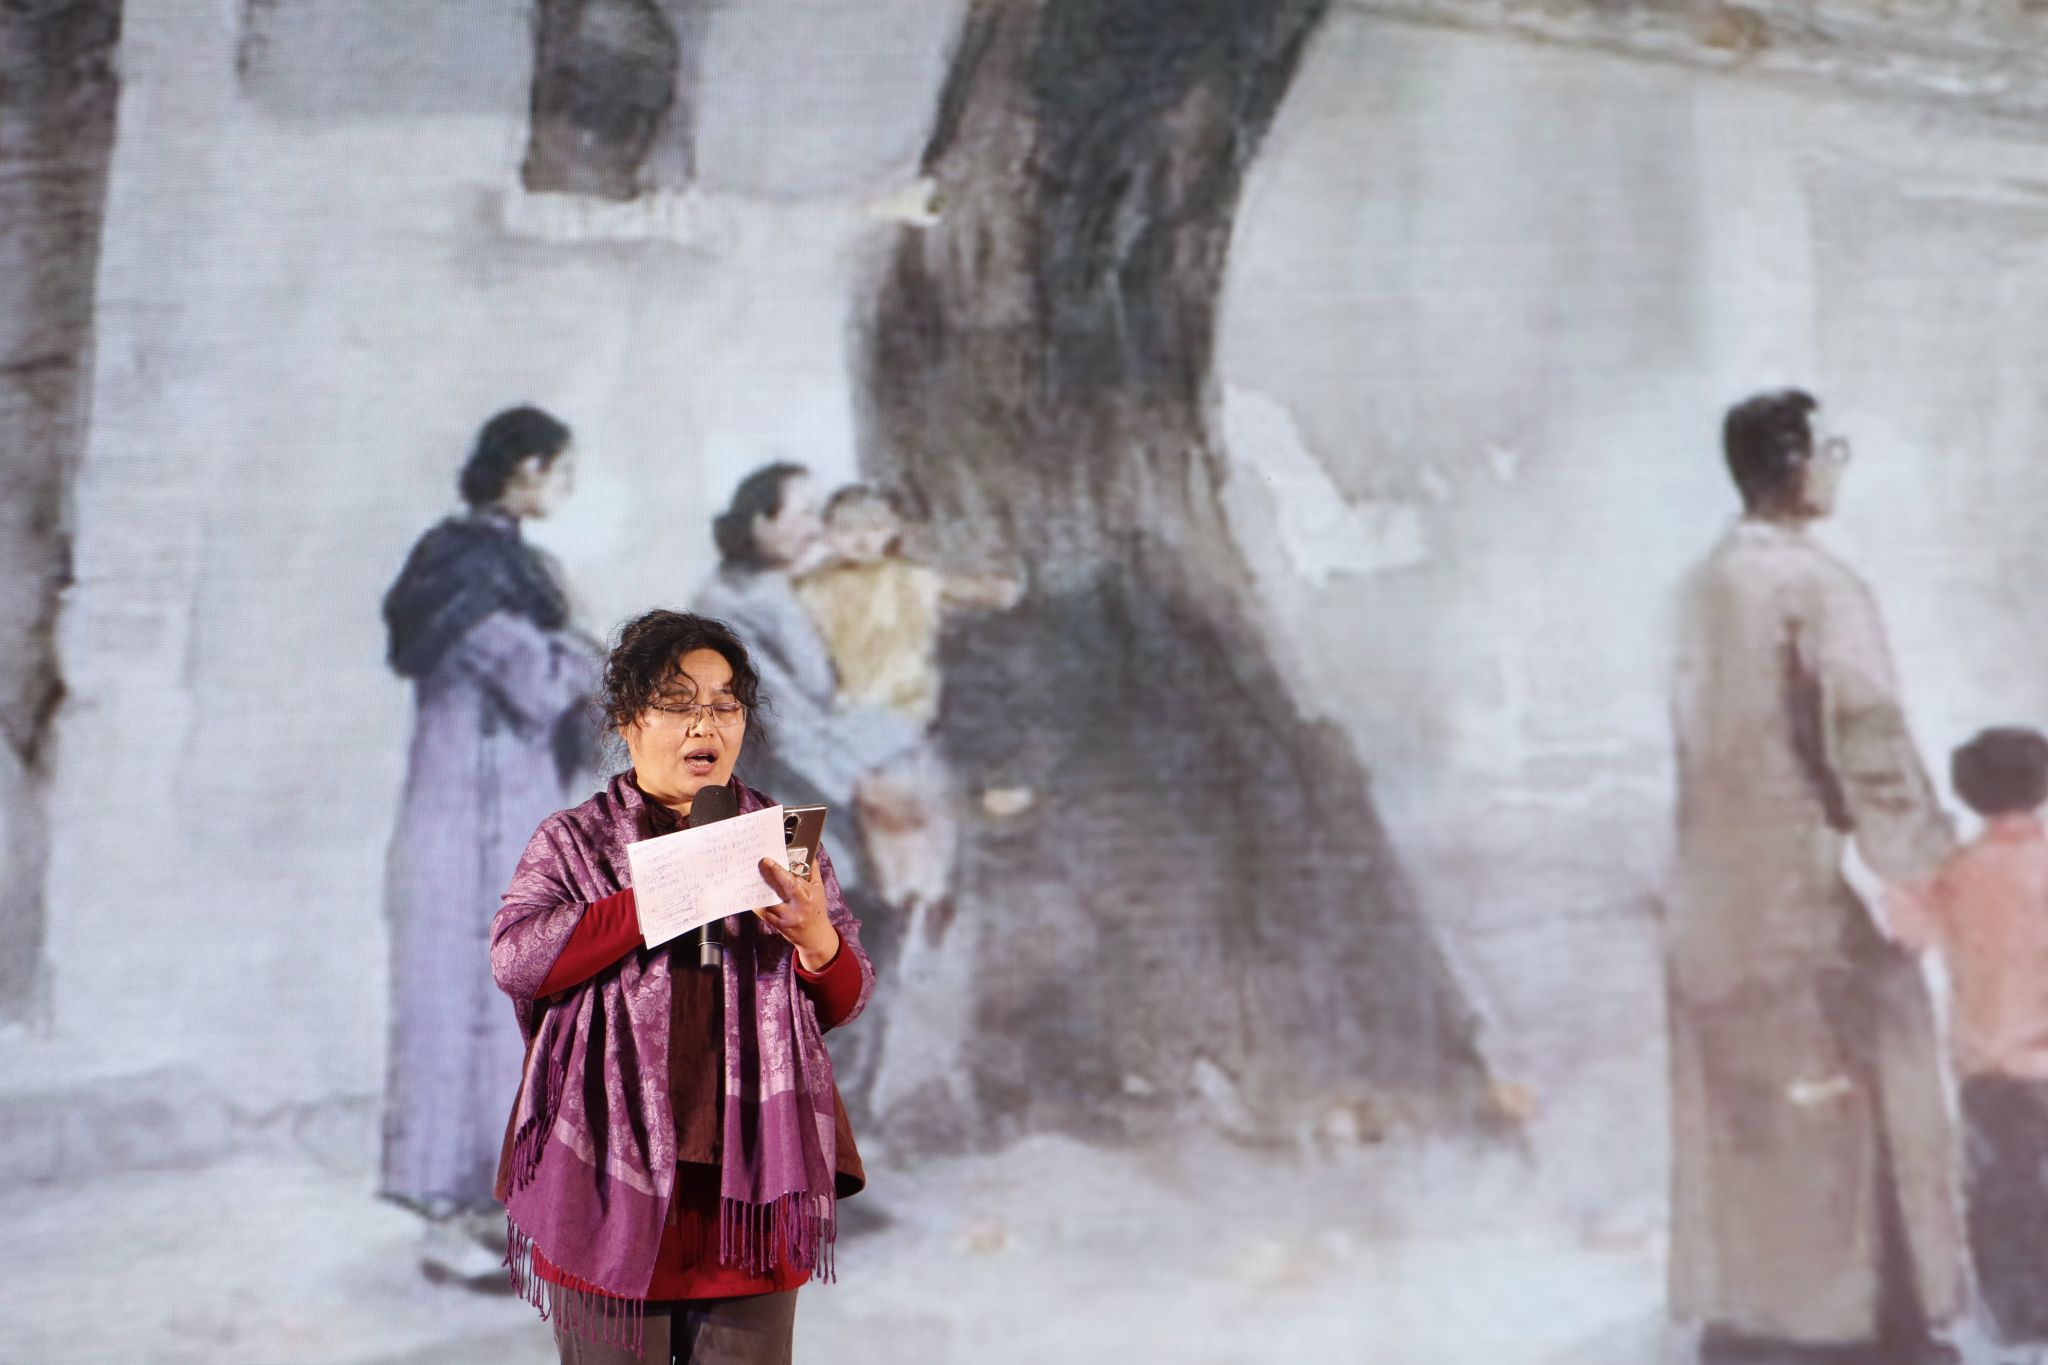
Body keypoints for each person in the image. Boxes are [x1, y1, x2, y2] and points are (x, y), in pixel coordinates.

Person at [1666, 389, 1964, 1364]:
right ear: (1791, 463)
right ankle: (1859, 1330)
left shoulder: (1701, 587)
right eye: (1828, 447)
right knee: (1856, 1103)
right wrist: (1915, 863)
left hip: (1717, 891)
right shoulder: (1817, 586)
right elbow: (1865, 736)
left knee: (1755, 1115)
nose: (1837, 464)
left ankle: (1758, 1317)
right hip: (1809, 891)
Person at [493, 610, 873, 1364]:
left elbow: (843, 996)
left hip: (748, 1190)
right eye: (677, 703)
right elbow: (517, 958)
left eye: (726, 704)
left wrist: (815, 939)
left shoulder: (780, 841)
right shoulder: (573, 841)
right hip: (606, 1180)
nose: (707, 724)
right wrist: (671, 890)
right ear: (627, 720)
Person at [380, 405, 601, 1281]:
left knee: (512, 1008)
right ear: (526, 468)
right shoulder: (465, 567)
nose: (566, 487)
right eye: (561, 470)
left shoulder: (515, 564)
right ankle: (441, 1217)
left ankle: (491, 1207)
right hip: (460, 818)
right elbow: (541, 684)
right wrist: (580, 638)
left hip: (505, 811)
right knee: (450, 1008)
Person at [693, 465, 926, 1115]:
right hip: (774, 804)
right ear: (758, 522)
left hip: (813, 798)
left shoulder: (785, 590)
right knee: (793, 960)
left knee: (845, 948)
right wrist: (866, 778)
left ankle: (827, 1122)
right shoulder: (727, 607)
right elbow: (788, 723)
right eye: (797, 513)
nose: (812, 527)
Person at [794, 482, 1020, 927]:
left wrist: (1000, 586)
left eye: (874, 527)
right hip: (851, 713)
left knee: (920, 799)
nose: (862, 540)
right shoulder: (813, 589)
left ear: (893, 529)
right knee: (882, 809)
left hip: (909, 709)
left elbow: (985, 592)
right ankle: (900, 893)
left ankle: (926, 892)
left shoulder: (911, 578)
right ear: (827, 534)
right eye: (847, 530)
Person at [1889, 726, 2048, 1347]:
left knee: (2002, 1196)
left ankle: (2019, 1321)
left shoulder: (1956, 872)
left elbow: (1905, 933)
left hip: (1990, 1066)